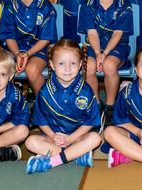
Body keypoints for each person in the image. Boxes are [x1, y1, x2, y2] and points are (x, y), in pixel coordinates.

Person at [25, 39, 102, 174]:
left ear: (80, 65)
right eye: (61, 63)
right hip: (54, 138)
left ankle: (52, 161)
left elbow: (91, 121)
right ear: (52, 65)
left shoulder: (86, 91)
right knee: (30, 142)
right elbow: (40, 119)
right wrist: (53, 136)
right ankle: (77, 154)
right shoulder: (45, 91)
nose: (67, 69)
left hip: (78, 137)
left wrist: (71, 138)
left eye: (72, 63)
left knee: (96, 139)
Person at [78, 0, 133, 124]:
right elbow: (92, 34)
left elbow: (118, 34)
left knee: (109, 65)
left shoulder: (125, 5)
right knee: (90, 67)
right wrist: (97, 53)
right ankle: (95, 104)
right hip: (93, 47)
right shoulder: (87, 6)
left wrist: (105, 53)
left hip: (117, 47)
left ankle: (110, 106)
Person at [0, 0, 57, 95]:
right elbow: (8, 36)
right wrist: (18, 53)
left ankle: (43, 104)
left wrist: (27, 54)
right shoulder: (8, 7)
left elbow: (46, 39)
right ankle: (9, 104)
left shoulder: (47, 8)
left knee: (32, 70)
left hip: (39, 49)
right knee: (2, 68)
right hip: (13, 50)